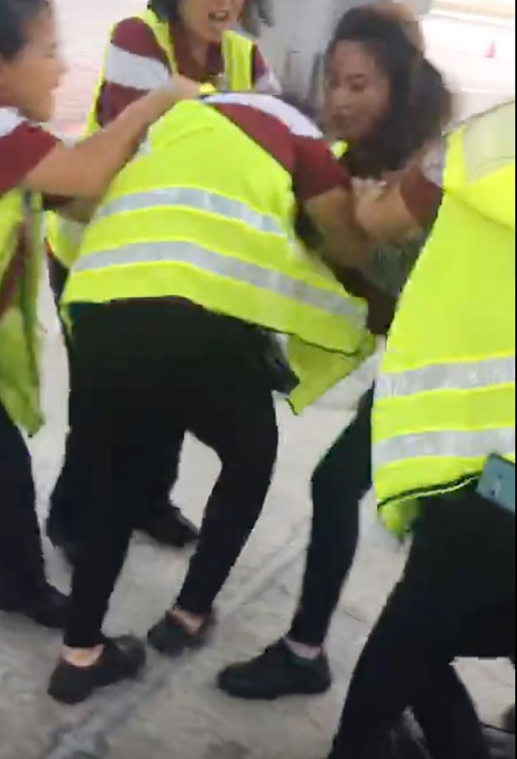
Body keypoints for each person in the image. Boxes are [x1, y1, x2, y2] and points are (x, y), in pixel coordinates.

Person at [48, 89, 377, 704]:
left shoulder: (174, 121)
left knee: (116, 480)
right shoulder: (298, 133)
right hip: (198, 310)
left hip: (101, 299)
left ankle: (79, 655)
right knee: (251, 456)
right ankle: (188, 615)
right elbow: (348, 243)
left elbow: (76, 204)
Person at [0, 0, 198, 623]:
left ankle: (17, 583)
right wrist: (154, 103)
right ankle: (17, 587)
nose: (61, 70)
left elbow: (78, 194)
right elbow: (83, 174)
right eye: (50, 51)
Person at [217, 2, 453, 700]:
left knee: (447, 535)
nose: (340, 100)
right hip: (422, 365)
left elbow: (394, 270)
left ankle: (308, 654)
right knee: (369, 498)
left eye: (360, 84)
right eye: (334, 82)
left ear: (399, 89)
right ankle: (306, 650)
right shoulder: (354, 166)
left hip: (460, 371)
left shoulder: (427, 168)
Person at [304, 99, 514, 759]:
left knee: (415, 635)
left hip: (486, 464)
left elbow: (381, 220)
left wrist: (358, 187)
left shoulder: (493, 137)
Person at [45, 0, 280, 558]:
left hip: (179, 261)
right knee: (102, 399)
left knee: (167, 393)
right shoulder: (137, 39)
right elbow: (163, 150)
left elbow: (280, 145)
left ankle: (149, 501)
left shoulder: (247, 58)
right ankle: (73, 517)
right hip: (97, 254)